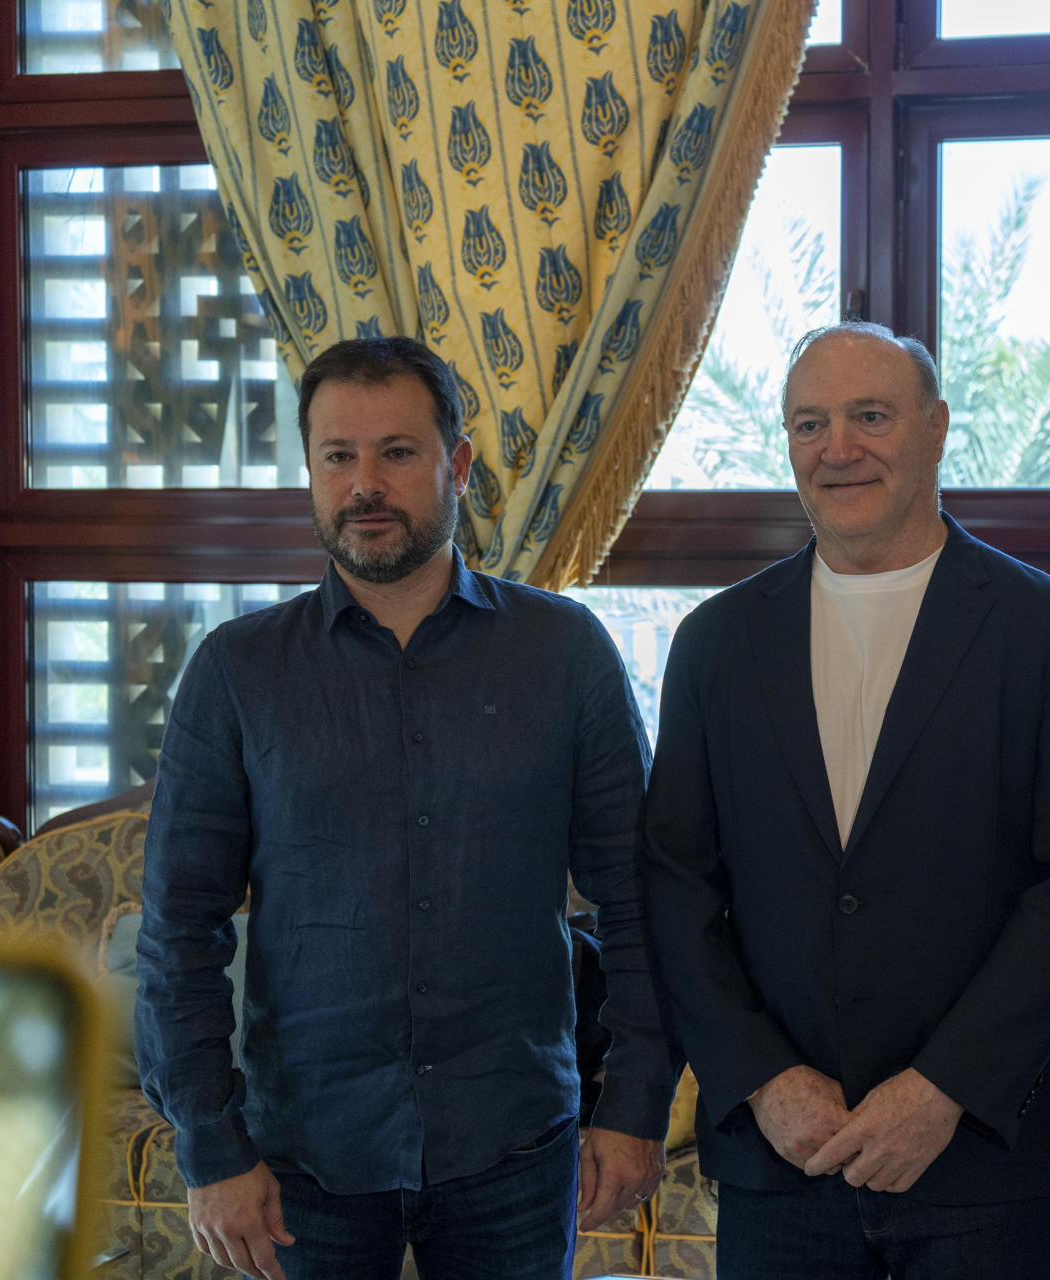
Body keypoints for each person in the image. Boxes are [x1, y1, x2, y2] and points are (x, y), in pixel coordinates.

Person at [135, 336, 672, 1280]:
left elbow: (638, 903)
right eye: (338, 456)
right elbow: (181, 929)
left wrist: (630, 1107)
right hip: (307, 1154)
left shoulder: (565, 655)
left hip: (511, 1142)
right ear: (309, 469)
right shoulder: (237, 672)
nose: (364, 485)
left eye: (397, 452)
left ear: (455, 466)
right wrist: (212, 1145)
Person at [639, 322, 1050, 1279]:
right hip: (783, 1162)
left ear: (937, 429)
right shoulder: (716, 641)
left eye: (870, 416)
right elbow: (676, 883)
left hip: (984, 1159)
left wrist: (943, 1089)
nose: (838, 449)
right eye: (809, 424)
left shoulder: (1049, 630)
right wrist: (765, 1082)